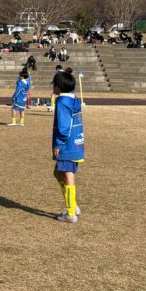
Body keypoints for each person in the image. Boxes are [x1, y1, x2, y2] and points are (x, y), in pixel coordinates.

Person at [51, 68, 84, 224]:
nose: (52, 87)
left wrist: (59, 143)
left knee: (68, 175)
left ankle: (71, 213)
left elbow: (64, 126)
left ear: (59, 86)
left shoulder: (62, 102)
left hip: (67, 145)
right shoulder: (74, 99)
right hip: (76, 143)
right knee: (58, 173)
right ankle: (73, 206)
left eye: (54, 84)